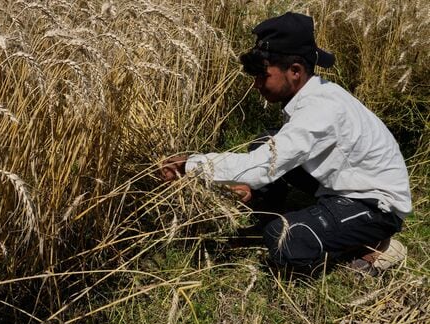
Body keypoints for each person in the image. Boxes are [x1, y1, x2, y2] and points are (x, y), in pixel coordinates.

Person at [161, 12, 411, 275]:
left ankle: (376, 245)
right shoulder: (313, 94)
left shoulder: (320, 110)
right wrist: (252, 187)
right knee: (265, 142)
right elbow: (273, 155)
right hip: (344, 185)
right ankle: (283, 215)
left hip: (375, 206)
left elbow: (262, 166)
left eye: (263, 75)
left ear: (295, 71)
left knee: (284, 240)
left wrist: (190, 165)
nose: (256, 84)